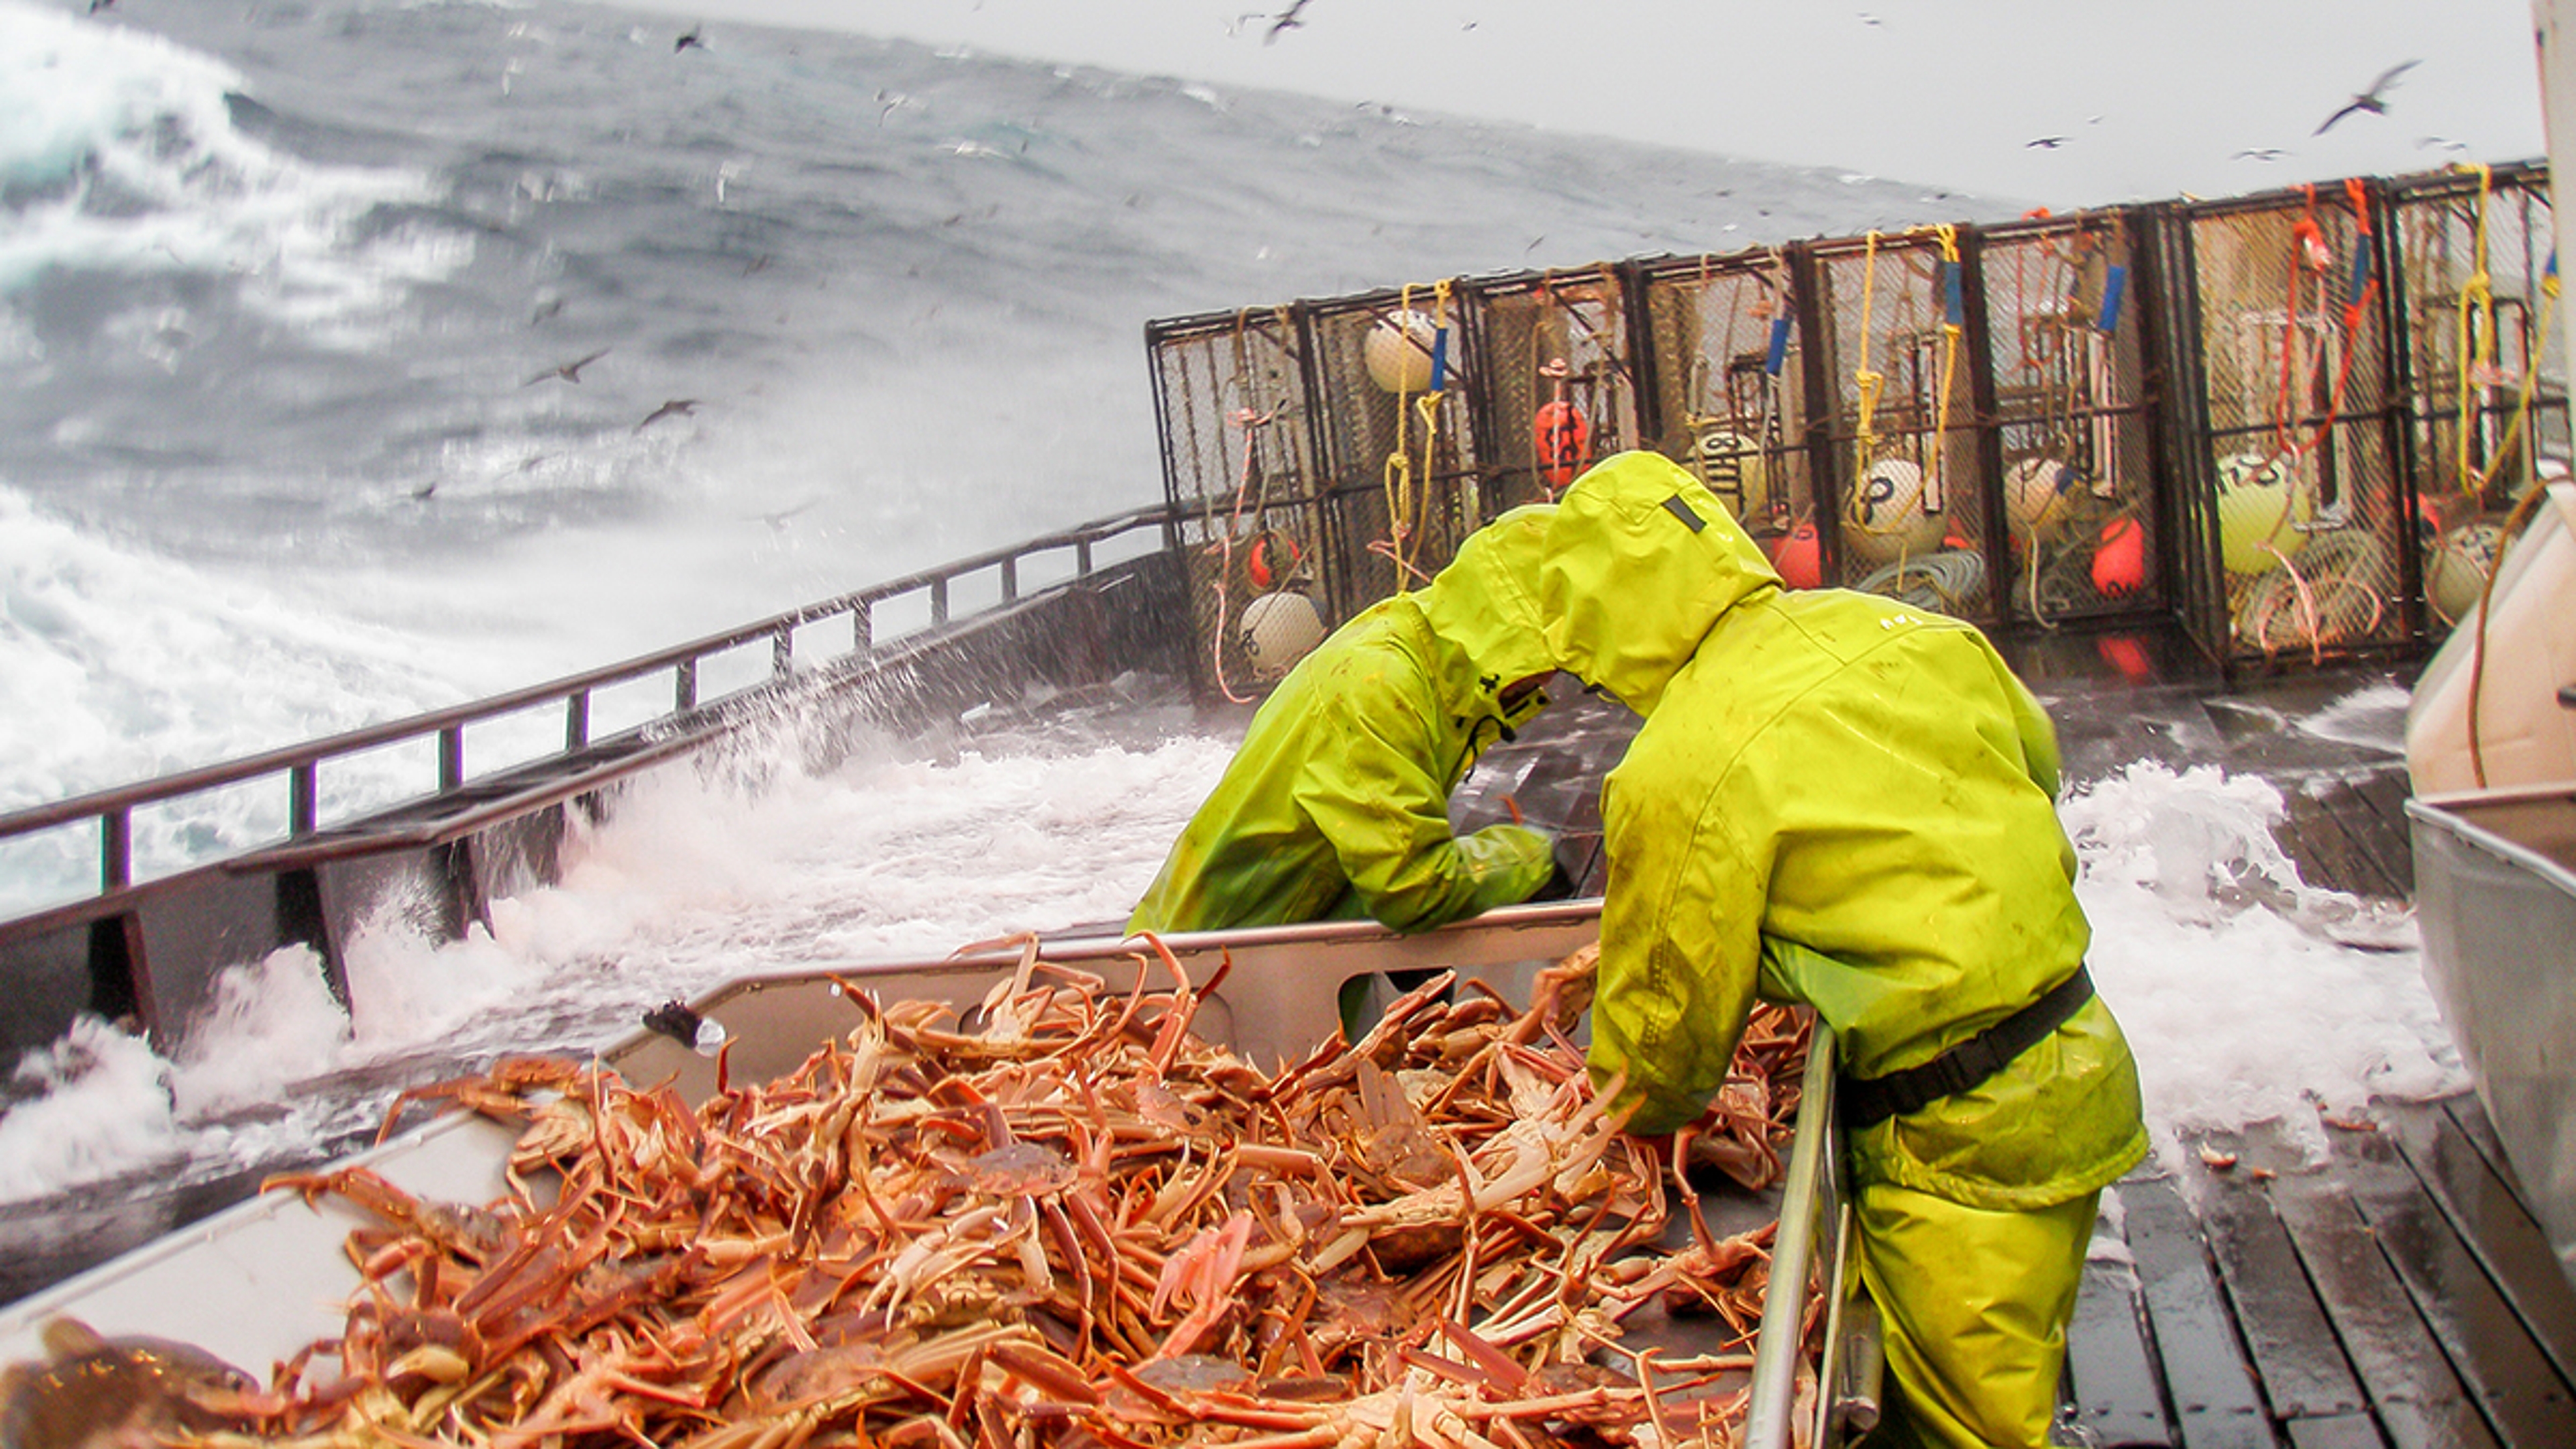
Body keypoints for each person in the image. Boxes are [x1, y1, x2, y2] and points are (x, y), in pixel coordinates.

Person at [1534, 451, 2146, 1449]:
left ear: (1603, 619)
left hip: (1957, 1136)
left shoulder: (1680, 761)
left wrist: (1604, 1141)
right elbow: (2032, 762)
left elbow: (1659, 1034)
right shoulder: (1899, 625)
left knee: (1979, 1431)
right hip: (2076, 1056)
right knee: (2014, 1359)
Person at [1128, 506, 1564, 938]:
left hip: (1264, 950)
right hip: (1203, 977)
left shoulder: (1421, 658)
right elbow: (1413, 887)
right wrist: (1531, 859)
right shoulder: (1378, 688)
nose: (1558, 675)